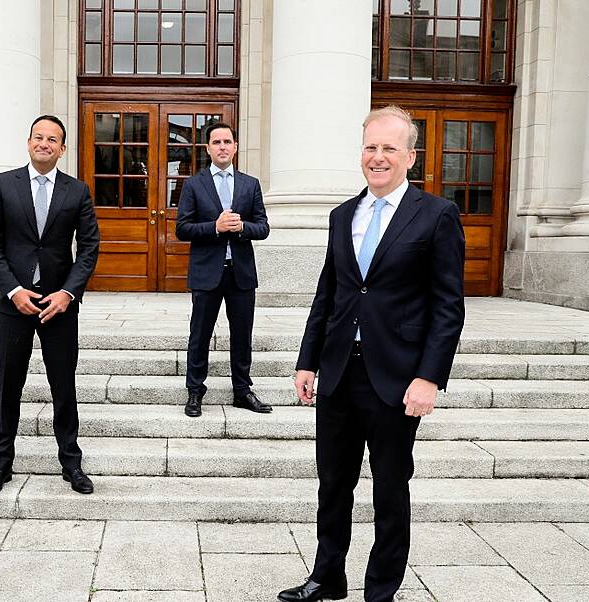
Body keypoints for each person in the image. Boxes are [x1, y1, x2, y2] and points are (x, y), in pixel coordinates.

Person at [279, 106, 465, 602]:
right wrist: (307, 360)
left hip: (397, 378)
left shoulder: (436, 215)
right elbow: (330, 293)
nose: (377, 157)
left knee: (389, 488)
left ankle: (380, 589)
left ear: (410, 156)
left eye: (388, 148)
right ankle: (327, 576)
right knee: (332, 484)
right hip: (339, 372)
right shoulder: (344, 215)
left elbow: (448, 307)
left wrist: (430, 378)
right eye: (370, 147)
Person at [0, 115, 100, 496]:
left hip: (58, 306)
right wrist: (13, 289)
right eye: (38, 137)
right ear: (28, 142)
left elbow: (90, 247)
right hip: (13, 305)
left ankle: (71, 464)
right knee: (8, 386)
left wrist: (68, 293)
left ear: (62, 149)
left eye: (53, 139)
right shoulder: (3, 184)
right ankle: (1, 465)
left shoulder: (77, 191)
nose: (44, 144)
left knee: (63, 386)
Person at [175, 122, 271, 418]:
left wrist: (243, 227)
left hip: (240, 273)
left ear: (235, 147)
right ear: (208, 148)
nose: (222, 147)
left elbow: (263, 227)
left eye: (227, 141)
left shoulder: (249, 183)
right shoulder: (193, 184)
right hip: (206, 272)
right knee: (199, 334)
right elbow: (182, 228)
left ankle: (242, 391)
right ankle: (195, 391)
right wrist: (214, 228)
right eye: (216, 142)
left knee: (242, 335)